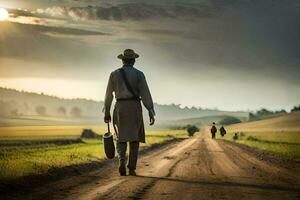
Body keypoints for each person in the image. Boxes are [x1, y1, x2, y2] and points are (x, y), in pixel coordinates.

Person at [103, 49, 155, 176]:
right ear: (134, 60)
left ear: (122, 60)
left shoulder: (114, 74)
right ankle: (131, 168)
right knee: (134, 139)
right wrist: (151, 110)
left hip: (119, 107)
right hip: (134, 107)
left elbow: (108, 95)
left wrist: (107, 112)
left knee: (120, 138)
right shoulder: (139, 74)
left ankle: (121, 161)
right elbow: (145, 94)